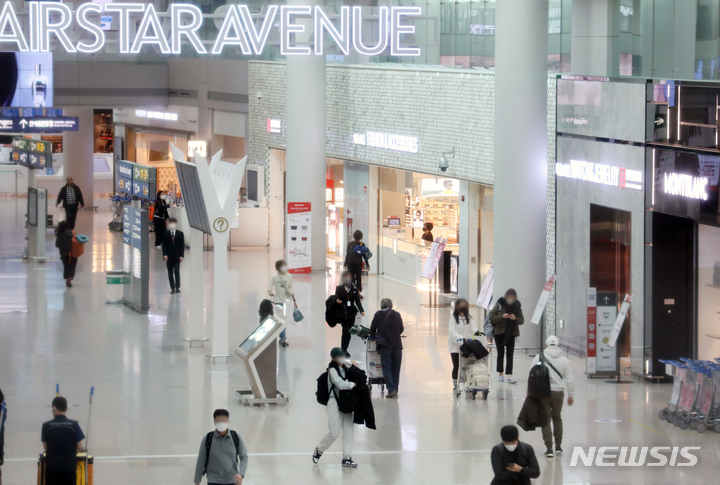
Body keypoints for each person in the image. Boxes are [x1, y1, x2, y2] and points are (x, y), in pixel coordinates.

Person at [313, 348, 359, 468]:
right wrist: (352, 384)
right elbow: (340, 384)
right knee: (334, 432)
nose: (344, 359)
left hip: (346, 403)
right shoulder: (332, 370)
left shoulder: (346, 366)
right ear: (334, 358)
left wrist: (352, 364)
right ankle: (319, 449)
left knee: (348, 432)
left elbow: (354, 368)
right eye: (341, 357)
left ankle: (347, 458)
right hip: (334, 402)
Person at [530, 336, 575, 458]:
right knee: (557, 418)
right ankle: (558, 446)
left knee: (545, 420)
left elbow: (532, 375)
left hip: (543, 393)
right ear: (558, 345)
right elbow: (570, 379)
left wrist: (530, 392)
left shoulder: (539, 357)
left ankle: (549, 448)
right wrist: (571, 395)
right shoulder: (565, 360)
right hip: (558, 392)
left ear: (546, 345)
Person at [193, 409, 248, 485]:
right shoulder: (208, 439)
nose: (222, 423)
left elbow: (244, 457)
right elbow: (201, 460)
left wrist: (241, 474)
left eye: (224, 421)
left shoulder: (236, 437)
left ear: (228, 421)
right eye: (219, 421)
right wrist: (197, 481)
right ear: (214, 421)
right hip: (213, 481)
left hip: (232, 480)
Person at [41, 397, 85, 485]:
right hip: (69, 466)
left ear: (54, 408)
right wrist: (71, 453)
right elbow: (80, 446)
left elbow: (46, 447)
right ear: (67, 409)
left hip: (52, 467)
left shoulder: (46, 426)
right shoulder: (74, 425)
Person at [370, 298, 404, 398]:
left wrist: (374, 337)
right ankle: (395, 388)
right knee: (396, 368)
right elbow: (401, 329)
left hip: (385, 345)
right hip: (397, 345)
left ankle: (391, 389)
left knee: (386, 367)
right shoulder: (397, 315)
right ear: (391, 306)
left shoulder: (378, 314)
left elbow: (372, 328)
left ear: (381, 306)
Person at [488, 289, 524, 384]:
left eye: (513, 297)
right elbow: (491, 317)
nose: (511, 299)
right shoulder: (500, 304)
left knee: (510, 354)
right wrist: (502, 317)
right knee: (500, 353)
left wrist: (515, 318)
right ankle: (500, 373)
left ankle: (509, 375)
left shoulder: (517, 306)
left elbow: (522, 320)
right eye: (509, 297)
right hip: (499, 333)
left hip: (511, 333)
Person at [448, 299, 478, 392]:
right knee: (456, 366)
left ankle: (467, 383)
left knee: (466, 366)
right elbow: (452, 333)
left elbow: (474, 329)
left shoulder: (469, 318)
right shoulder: (453, 319)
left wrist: (478, 334)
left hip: (466, 347)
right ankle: (455, 385)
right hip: (455, 347)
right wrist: (461, 338)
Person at [267, 260, 296, 347]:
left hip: (287, 301)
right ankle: (283, 338)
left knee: (286, 320)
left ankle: (281, 337)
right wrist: (270, 292)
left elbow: (292, 289)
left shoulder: (289, 276)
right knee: (280, 320)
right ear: (278, 267)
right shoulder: (274, 277)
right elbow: (269, 287)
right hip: (278, 301)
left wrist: (294, 301)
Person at [335, 270, 364, 351]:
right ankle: (343, 350)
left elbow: (357, 300)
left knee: (349, 332)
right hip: (343, 313)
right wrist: (337, 300)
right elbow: (335, 297)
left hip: (351, 313)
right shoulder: (339, 288)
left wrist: (361, 310)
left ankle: (345, 349)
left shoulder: (354, 288)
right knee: (345, 331)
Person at [162, 218, 185, 294]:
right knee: (170, 272)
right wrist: (165, 255)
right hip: (169, 257)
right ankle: (172, 287)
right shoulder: (165, 234)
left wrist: (181, 255)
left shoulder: (180, 234)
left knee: (177, 271)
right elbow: (164, 245)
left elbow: (182, 245)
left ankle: (178, 287)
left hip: (177, 256)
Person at [344, 230, 367, 294]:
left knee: (352, 278)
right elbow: (364, 255)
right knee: (359, 278)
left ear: (353, 236)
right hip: (358, 263)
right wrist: (367, 264)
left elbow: (347, 254)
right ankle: (359, 292)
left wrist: (345, 264)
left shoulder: (350, 244)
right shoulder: (362, 244)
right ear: (361, 237)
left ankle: (353, 292)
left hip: (350, 264)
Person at [55, 221, 76, 288]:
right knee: (72, 266)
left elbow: (57, 245)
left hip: (64, 253)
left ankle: (67, 278)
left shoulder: (60, 235)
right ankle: (69, 279)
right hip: (73, 252)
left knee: (66, 266)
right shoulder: (72, 233)